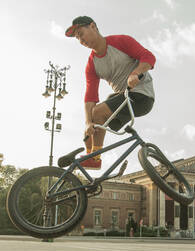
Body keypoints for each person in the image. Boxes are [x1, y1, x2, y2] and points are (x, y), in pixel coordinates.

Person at [65, 16, 156, 170]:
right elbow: (90, 96)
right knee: (91, 126)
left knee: (98, 112)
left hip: (142, 95)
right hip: (123, 98)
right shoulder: (91, 64)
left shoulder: (121, 41)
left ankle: (95, 159)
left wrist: (136, 72)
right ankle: (92, 157)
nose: (80, 40)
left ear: (93, 26)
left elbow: (149, 57)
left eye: (81, 33)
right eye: (77, 38)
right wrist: (88, 122)